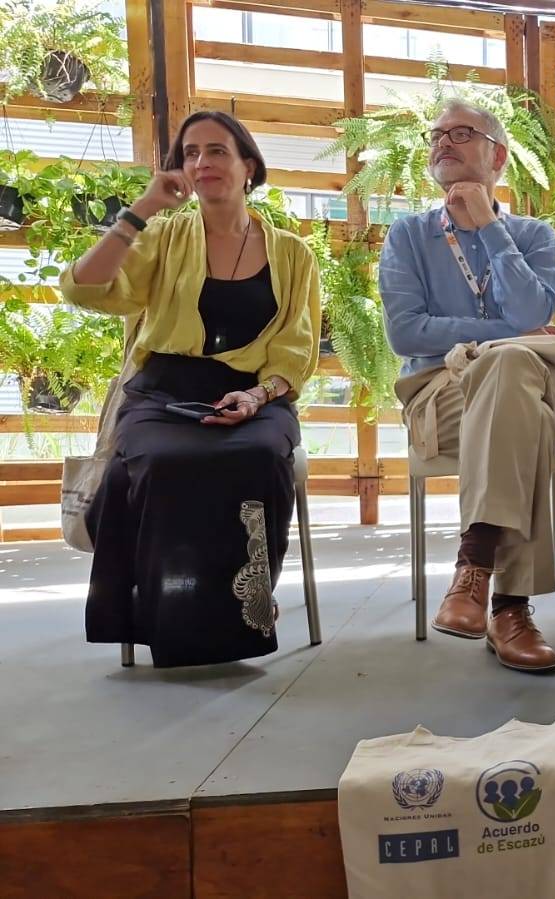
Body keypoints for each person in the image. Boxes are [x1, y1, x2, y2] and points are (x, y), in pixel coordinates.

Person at [60, 111, 320, 667]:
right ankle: (164, 615)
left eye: (217, 151)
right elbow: (86, 288)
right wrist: (144, 208)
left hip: (256, 395)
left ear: (249, 166)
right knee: (160, 461)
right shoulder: (165, 236)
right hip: (162, 392)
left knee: (257, 454)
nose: (203, 163)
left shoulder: (295, 254)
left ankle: (245, 611)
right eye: (191, 153)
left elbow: (295, 350)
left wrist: (256, 396)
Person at [380, 99, 555, 673]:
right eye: (436, 134)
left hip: (544, 383)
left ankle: (473, 567)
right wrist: (503, 334)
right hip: (440, 393)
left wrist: (490, 228)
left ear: (498, 156)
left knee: (513, 370)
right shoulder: (409, 236)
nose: (443, 141)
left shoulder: (533, 236)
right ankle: (511, 609)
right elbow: (404, 331)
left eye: (461, 133)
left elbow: (532, 307)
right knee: (519, 393)